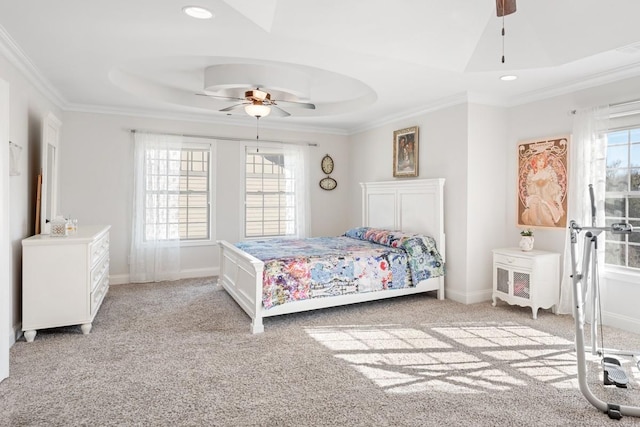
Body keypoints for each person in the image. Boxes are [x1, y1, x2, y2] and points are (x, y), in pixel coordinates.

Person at [521, 152, 564, 226]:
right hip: (536, 203)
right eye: (539, 161)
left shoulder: (547, 175)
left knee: (543, 208)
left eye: (543, 161)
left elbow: (555, 193)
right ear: (535, 162)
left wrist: (560, 207)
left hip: (547, 203)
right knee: (533, 207)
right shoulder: (533, 178)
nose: (541, 163)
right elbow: (532, 194)